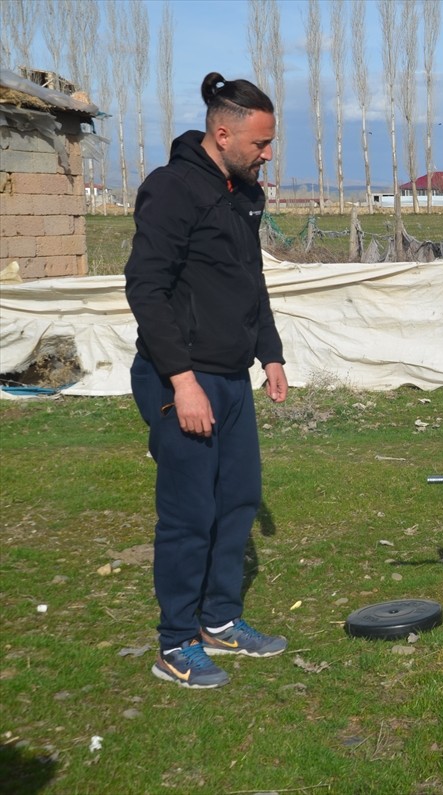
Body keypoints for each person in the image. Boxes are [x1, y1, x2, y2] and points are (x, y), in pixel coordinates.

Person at [125, 72, 289, 688]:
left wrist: (270, 353)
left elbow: (251, 280)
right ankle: (175, 643)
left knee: (237, 501)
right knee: (189, 514)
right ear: (223, 134)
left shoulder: (244, 194)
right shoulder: (171, 190)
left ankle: (220, 619)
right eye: (260, 143)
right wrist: (182, 381)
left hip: (232, 379)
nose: (267, 154)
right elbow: (146, 288)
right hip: (182, 379)